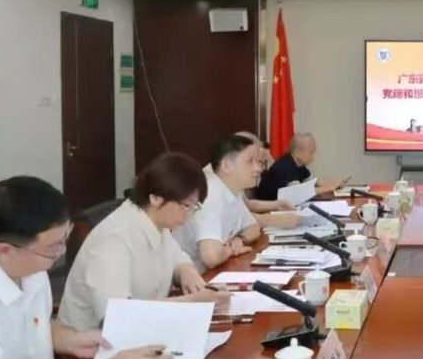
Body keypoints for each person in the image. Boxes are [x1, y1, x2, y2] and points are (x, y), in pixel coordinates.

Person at [0, 176, 171, 359]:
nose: (62, 251)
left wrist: (66, 339)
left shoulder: (30, 268)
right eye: (53, 247)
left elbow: (23, 325)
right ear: (5, 251)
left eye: (65, 239)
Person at [57, 153, 230, 331]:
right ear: (155, 197)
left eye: (195, 207)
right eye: (186, 205)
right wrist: (191, 302)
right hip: (92, 341)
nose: (189, 215)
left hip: (142, 333)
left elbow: (176, 257)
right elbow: (117, 315)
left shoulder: (157, 223)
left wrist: (186, 271)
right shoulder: (113, 238)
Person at [174, 135, 265, 271]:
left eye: (257, 162)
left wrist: (240, 239)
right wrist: (232, 249)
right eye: (250, 161)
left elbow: (254, 227)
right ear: (226, 165)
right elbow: (211, 257)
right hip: (193, 277)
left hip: (214, 272)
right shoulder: (210, 194)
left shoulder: (231, 190)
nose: (258, 168)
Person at [254, 132, 347, 201]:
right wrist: (327, 188)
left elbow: (316, 183)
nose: (313, 156)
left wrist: (335, 184)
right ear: (298, 152)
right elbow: (300, 193)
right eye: (311, 152)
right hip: (269, 212)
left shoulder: (299, 166)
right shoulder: (284, 166)